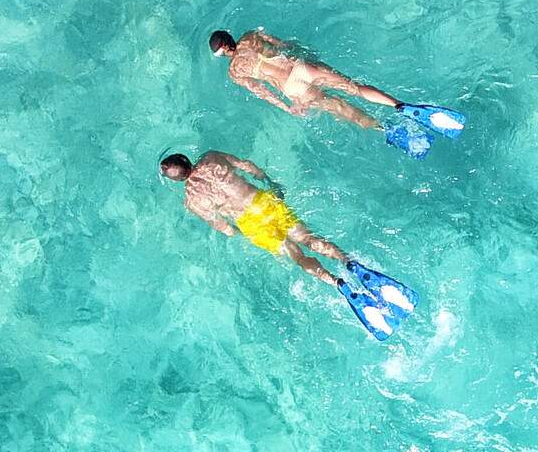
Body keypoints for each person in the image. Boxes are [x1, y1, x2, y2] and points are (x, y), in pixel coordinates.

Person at [160, 150, 419, 339]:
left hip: (251, 224)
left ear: (177, 180)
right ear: (186, 159)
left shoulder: (192, 200)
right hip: (264, 202)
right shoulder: (211, 158)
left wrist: (244, 233)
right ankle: (350, 264)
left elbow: (225, 229)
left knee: (296, 256)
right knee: (309, 239)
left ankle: (337, 283)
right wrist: (269, 182)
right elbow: (248, 166)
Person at [208, 29, 401, 129]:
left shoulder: (235, 72)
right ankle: (398, 104)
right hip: (302, 68)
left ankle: (383, 128)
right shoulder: (251, 36)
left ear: (222, 52)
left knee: (341, 108)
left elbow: (262, 92)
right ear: (229, 37)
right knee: (354, 87)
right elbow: (284, 45)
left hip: (292, 88)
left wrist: (288, 108)